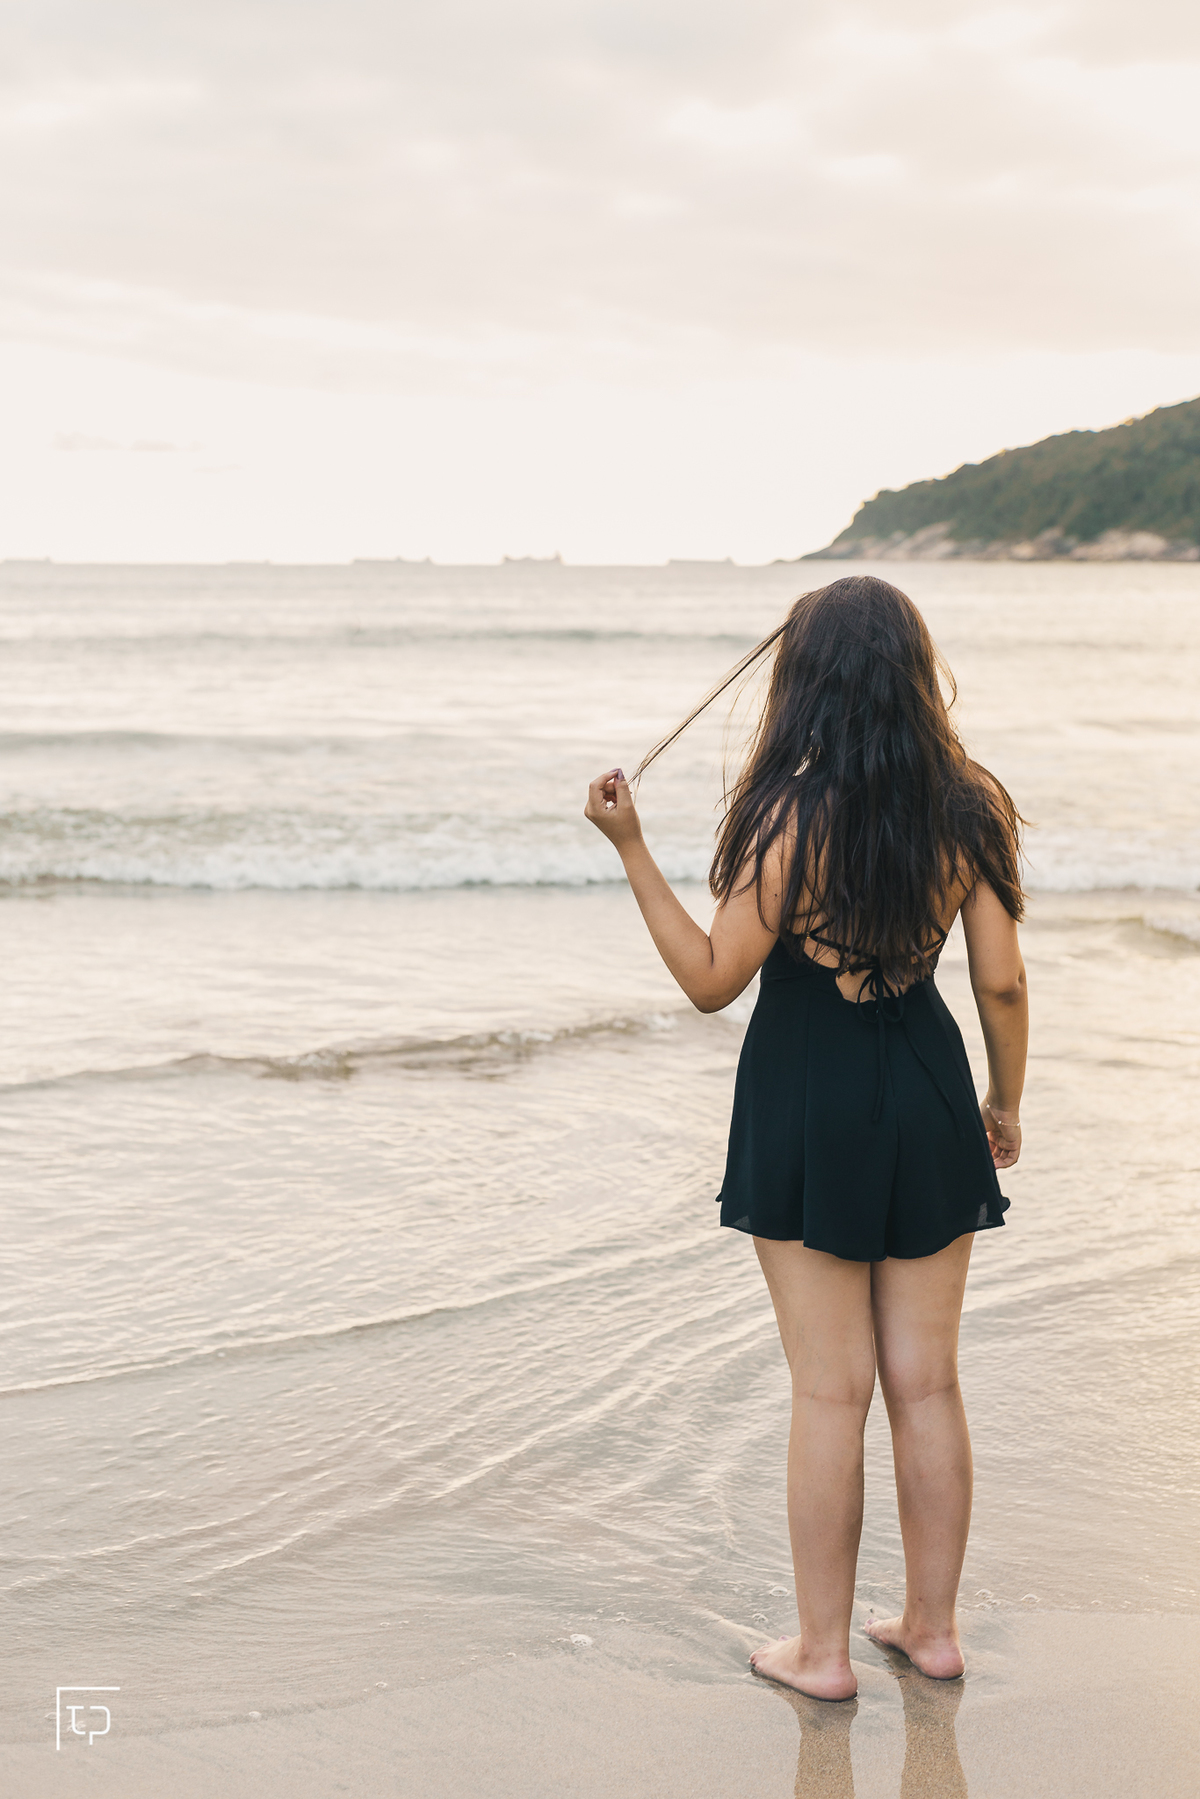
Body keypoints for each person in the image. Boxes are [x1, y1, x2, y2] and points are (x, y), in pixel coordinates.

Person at [584, 574, 1027, 1703]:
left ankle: (822, 1651)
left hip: (806, 1093)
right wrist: (1004, 1100)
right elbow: (1003, 981)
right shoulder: (966, 803)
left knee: (830, 1389)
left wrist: (632, 845)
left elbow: (710, 980)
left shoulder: (781, 814)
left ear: (803, 678)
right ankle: (931, 1629)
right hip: (927, 1081)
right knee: (926, 1382)